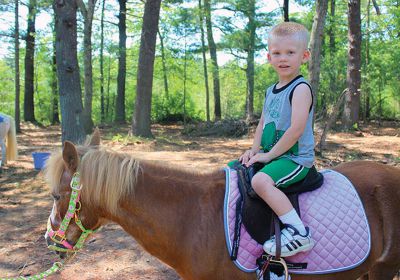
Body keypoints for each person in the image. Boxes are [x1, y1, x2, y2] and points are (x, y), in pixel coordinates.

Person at [231, 22, 315, 257]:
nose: (283, 58)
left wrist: (267, 156)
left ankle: (299, 233)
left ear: (304, 56)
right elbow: (262, 124)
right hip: (274, 155)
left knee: (260, 182)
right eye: (277, 53)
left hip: (295, 159)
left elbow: (296, 130)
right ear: (269, 57)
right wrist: (253, 150)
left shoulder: (300, 88)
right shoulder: (271, 90)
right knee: (233, 170)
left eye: (290, 52)